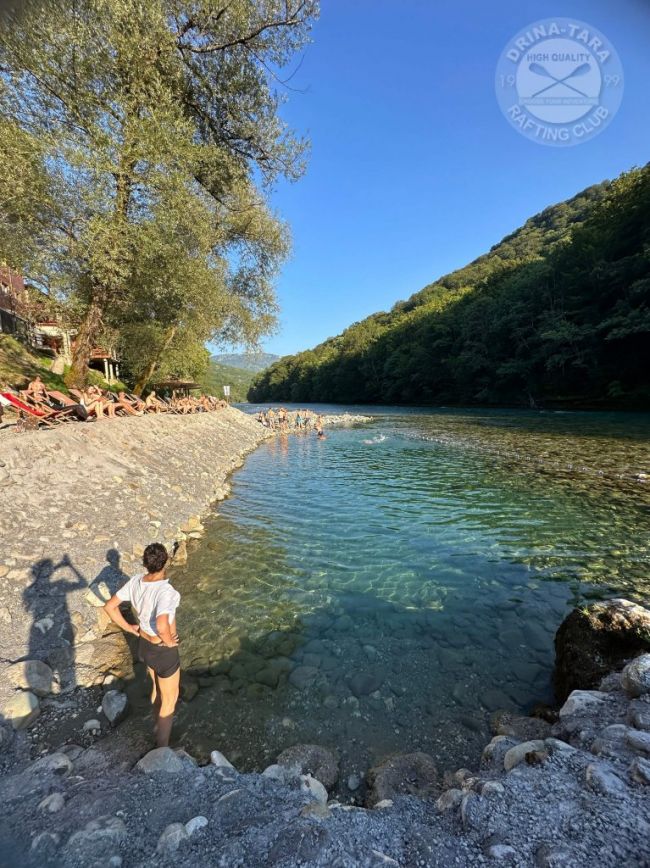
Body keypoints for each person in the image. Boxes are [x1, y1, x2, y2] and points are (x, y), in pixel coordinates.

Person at [103, 543, 180, 747]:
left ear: (145, 563)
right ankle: (162, 749)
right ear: (166, 562)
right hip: (162, 651)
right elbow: (162, 624)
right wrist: (169, 642)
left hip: (144, 646)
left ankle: (157, 726)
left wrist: (130, 628)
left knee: (157, 688)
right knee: (170, 701)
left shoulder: (136, 581)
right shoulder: (166, 591)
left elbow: (110, 607)